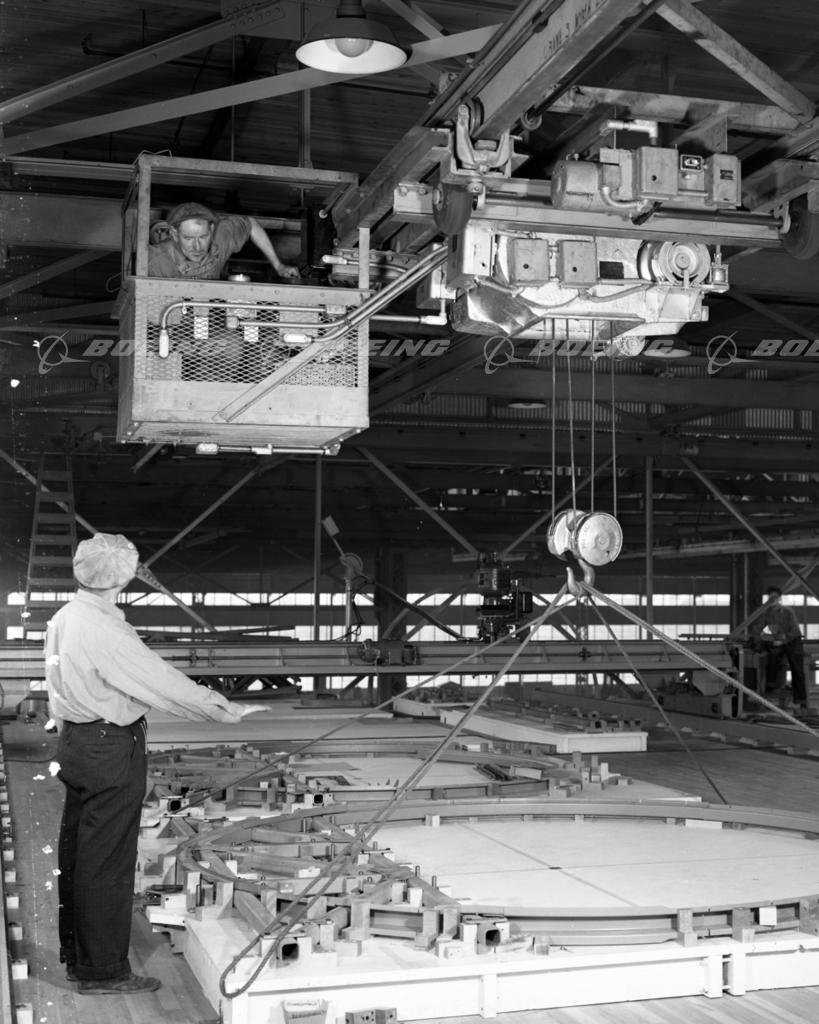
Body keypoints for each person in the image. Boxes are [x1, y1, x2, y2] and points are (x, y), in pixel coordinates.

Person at [44, 533, 255, 995]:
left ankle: (81, 959)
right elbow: (160, 681)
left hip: (76, 742)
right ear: (121, 577)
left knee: (79, 856)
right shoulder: (105, 629)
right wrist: (221, 708)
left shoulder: (65, 617)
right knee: (107, 863)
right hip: (108, 747)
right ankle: (104, 971)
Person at [147, 201, 300, 281]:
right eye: (188, 238)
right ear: (174, 234)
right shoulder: (154, 259)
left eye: (203, 237)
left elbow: (251, 224)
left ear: (212, 229)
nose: (197, 246)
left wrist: (278, 265)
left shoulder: (220, 237)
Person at [756, 585, 808, 712]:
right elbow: (759, 630)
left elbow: (796, 631)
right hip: (778, 641)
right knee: (771, 662)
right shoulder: (766, 613)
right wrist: (763, 639)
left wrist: (782, 641)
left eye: (774, 598)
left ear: (779, 598)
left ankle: (800, 700)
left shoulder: (788, 611)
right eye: (770, 598)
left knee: (797, 669)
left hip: (792, 641)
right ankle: (771, 693)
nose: (772, 600)